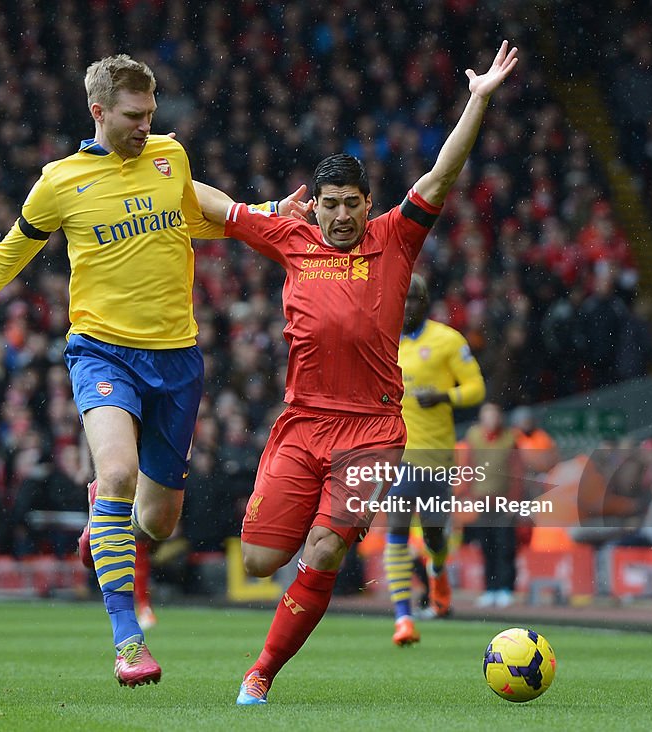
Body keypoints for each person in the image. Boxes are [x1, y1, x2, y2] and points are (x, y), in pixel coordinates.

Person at [0, 55, 290, 687]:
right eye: (134, 115)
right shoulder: (59, 182)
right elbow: (4, 257)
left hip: (177, 359)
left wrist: (265, 213)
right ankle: (128, 642)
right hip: (101, 351)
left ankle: (105, 520)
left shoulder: (170, 158)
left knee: (158, 520)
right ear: (99, 112)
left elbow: (193, 221)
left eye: (151, 113)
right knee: (119, 469)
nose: (145, 125)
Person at [195, 41, 519, 704]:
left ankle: (261, 673)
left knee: (322, 550)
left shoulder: (396, 237)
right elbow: (207, 203)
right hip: (300, 425)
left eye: (353, 203)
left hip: (372, 432)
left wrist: (478, 99)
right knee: (258, 560)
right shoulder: (290, 238)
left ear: (368, 204)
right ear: (313, 205)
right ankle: (308, 603)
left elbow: (441, 175)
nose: (342, 215)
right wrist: (165, 160)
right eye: (330, 203)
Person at [383, 273, 485, 647]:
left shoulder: (447, 341)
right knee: (395, 530)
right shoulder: (381, 338)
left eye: (415, 300)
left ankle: (438, 572)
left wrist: (444, 397)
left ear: (426, 304)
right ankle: (403, 618)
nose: (407, 307)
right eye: (403, 299)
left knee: (434, 535)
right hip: (396, 453)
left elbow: (476, 388)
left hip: (437, 455)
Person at [460, 402, 521, 607]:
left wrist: (514, 501)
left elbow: (517, 471)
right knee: (487, 546)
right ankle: (490, 588)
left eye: (494, 415)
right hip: (481, 500)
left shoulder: (509, 438)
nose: (492, 420)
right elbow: (468, 466)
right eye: (488, 416)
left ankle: (506, 588)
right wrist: (468, 494)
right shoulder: (474, 437)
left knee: (505, 545)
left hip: (503, 500)